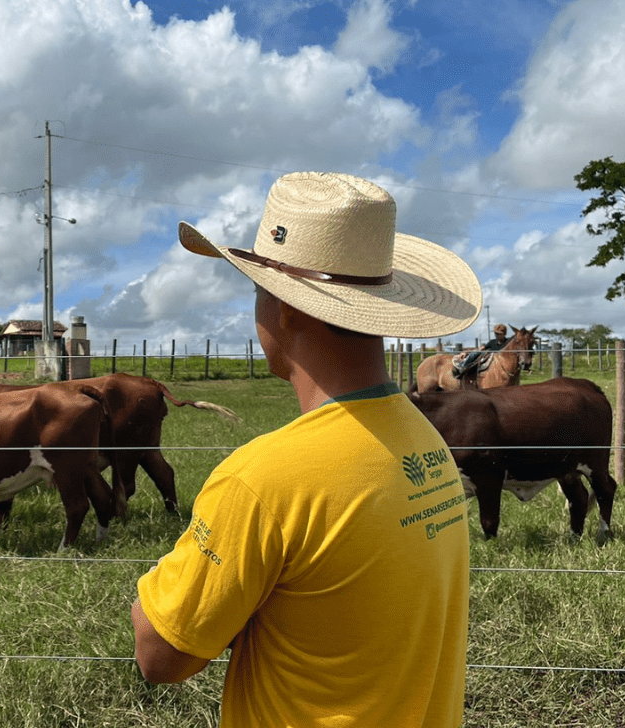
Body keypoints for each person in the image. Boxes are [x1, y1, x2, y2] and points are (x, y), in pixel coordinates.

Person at [131, 171, 481, 727]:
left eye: (257, 293)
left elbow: (161, 657)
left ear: (286, 310)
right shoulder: (423, 439)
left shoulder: (261, 480)